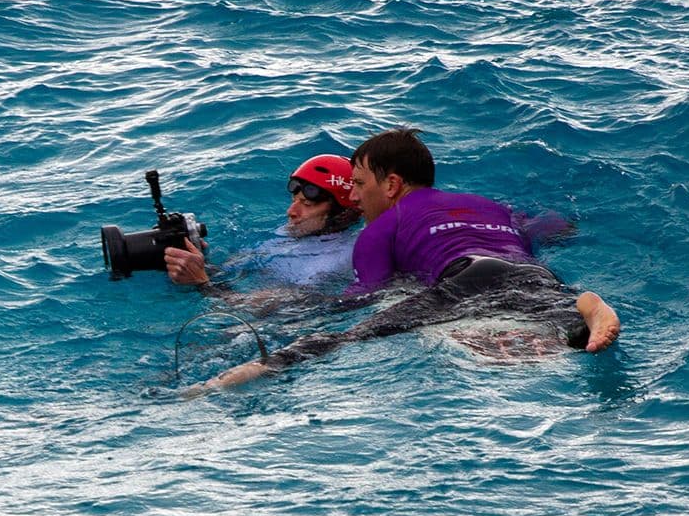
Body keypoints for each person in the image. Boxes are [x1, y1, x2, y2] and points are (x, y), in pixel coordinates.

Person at [189, 128, 619, 392]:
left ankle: (244, 375)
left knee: (342, 339)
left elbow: (362, 299)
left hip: (467, 279)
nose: (354, 198)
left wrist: (298, 313)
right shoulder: (489, 205)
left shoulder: (383, 227)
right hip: (534, 275)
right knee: (554, 313)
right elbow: (556, 226)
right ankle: (584, 306)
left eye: (358, 184)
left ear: (391, 184)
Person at [164, 153, 361, 291]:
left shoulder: (331, 264)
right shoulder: (292, 233)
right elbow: (231, 272)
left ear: (341, 214)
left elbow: (261, 314)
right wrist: (200, 262)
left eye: (307, 204)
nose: (291, 212)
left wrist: (202, 283)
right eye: (294, 201)